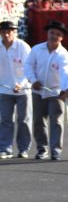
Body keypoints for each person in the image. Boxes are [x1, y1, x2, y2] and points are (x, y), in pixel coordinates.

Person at [24, 20, 68, 160]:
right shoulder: (37, 49)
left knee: (56, 121)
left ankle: (56, 150)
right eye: (52, 33)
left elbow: (65, 72)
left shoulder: (63, 55)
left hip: (56, 92)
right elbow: (28, 65)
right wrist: (33, 80)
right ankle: (42, 149)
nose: (54, 36)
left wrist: (65, 89)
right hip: (38, 91)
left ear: (61, 37)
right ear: (47, 33)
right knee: (39, 121)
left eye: (57, 34)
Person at [0, 21, 32, 159]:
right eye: (4, 31)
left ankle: (24, 149)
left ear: (14, 32)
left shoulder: (23, 47)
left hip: (23, 90)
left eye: (10, 31)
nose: (7, 34)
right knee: (6, 120)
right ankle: (5, 148)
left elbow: (29, 68)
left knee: (24, 120)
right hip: (4, 90)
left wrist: (21, 83)